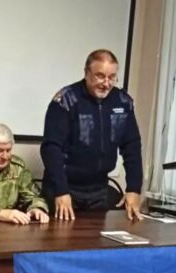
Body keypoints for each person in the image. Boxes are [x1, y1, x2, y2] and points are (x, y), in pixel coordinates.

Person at [41, 49, 143, 221]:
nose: (106, 83)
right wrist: (61, 191)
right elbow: (51, 148)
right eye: (100, 76)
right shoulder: (66, 100)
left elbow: (132, 146)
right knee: (59, 236)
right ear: (86, 73)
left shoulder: (123, 102)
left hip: (99, 189)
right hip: (65, 188)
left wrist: (134, 188)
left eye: (112, 77)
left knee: (96, 237)